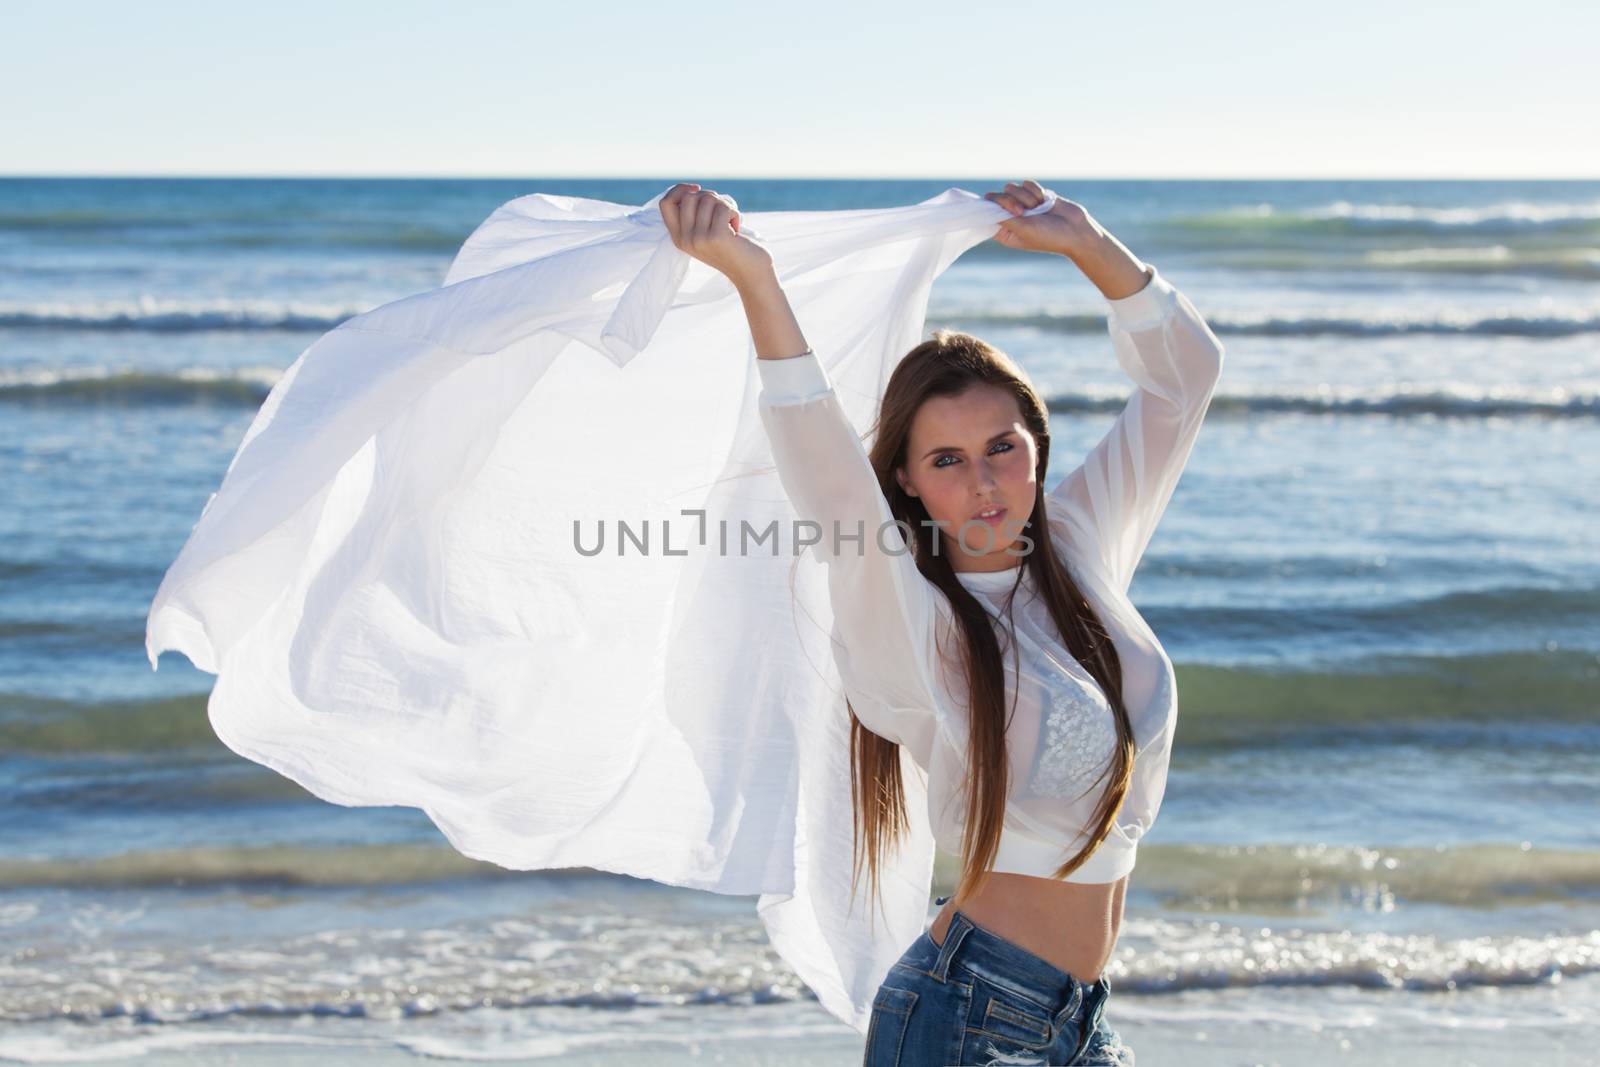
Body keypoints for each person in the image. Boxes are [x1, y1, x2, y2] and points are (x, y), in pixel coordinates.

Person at [665, 178, 1222, 1065]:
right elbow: (824, 463)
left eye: (1003, 446)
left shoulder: (1080, 544)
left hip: (1080, 1020)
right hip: (969, 1016)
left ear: (1037, 447)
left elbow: (1186, 378)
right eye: (948, 460)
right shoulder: (913, 616)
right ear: (910, 483)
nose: (986, 482)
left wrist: (1086, 243)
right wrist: (753, 280)